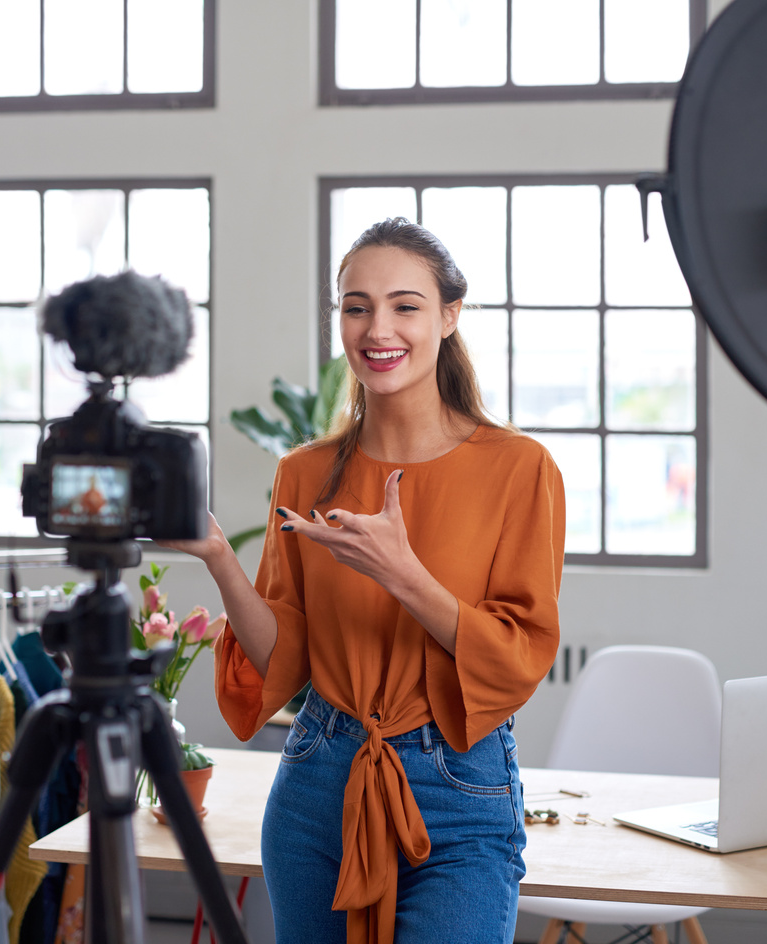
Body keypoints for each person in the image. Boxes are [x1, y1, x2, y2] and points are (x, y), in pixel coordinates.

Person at [161, 217, 565, 944]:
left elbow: (519, 655)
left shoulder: (519, 469)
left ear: (448, 317)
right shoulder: (307, 472)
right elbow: (283, 661)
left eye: (405, 306)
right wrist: (218, 555)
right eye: (356, 306)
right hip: (320, 779)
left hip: (460, 787)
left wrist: (405, 576)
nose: (378, 328)